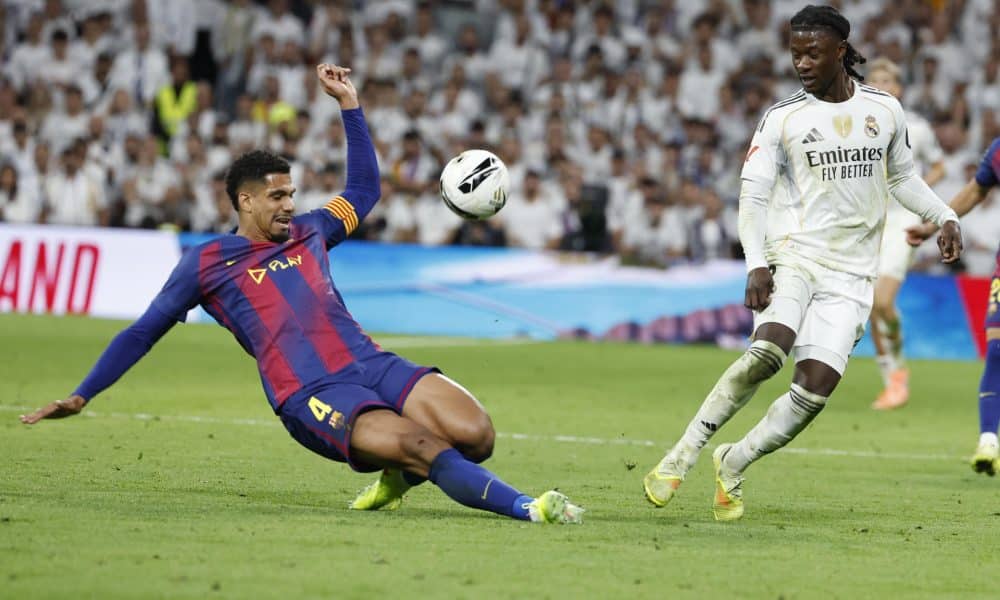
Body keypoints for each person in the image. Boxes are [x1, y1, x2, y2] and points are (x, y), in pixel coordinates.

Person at [19, 64, 583, 526]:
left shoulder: (313, 229)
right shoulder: (209, 263)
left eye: (292, 193)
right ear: (244, 203)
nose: (289, 204)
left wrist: (350, 105)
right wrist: (83, 393)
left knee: (475, 435)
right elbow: (143, 331)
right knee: (422, 446)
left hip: (370, 363)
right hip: (310, 391)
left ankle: (395, 476)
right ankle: (529, 507)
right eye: (277, 196)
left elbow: (363, 190)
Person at [642, 5, 962, 521]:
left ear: (841, 50)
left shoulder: (885, 111)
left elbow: (902, 179)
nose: (802, 63)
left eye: (813, 52)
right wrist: (755, 263)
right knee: (767, 353)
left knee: (812, 392)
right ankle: (683, 453)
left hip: (853, 273)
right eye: (795, 53)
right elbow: (753, 197)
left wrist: (944, 215)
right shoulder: (783, 118)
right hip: (793, 256)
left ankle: (734, 461)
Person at [908, 136, 1000, 475]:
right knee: (997, 351)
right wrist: (934, 223)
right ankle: (988, 440)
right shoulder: (998, 150)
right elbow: (976, 191)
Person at [866, 57, 947, 410]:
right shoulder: (856, 126)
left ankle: (897, 357)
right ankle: (892, 380)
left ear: (898, 89)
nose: (881, 86)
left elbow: (941, 166)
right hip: (868, 220)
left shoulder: (917, 127)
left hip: (902, 220)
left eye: (887, 80)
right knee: (868, 304)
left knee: (883, 300)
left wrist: (913, 189)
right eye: (875, 80)